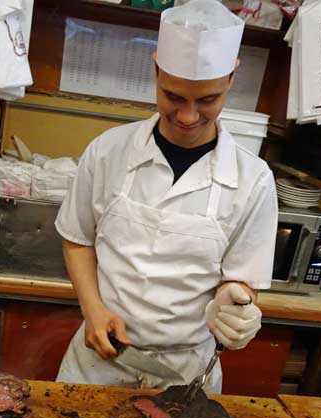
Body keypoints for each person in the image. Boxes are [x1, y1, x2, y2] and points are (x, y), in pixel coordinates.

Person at [54, 0, 278, 393]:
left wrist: (234, 303)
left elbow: (243, 279)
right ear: (155, 69)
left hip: (186, 371)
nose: (188, 116)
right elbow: (77, 237)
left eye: (207, 100)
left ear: (230, 78)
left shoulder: (254, 180)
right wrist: (93, 309)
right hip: (100, 359)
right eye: (173, 96)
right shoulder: (108, 151)